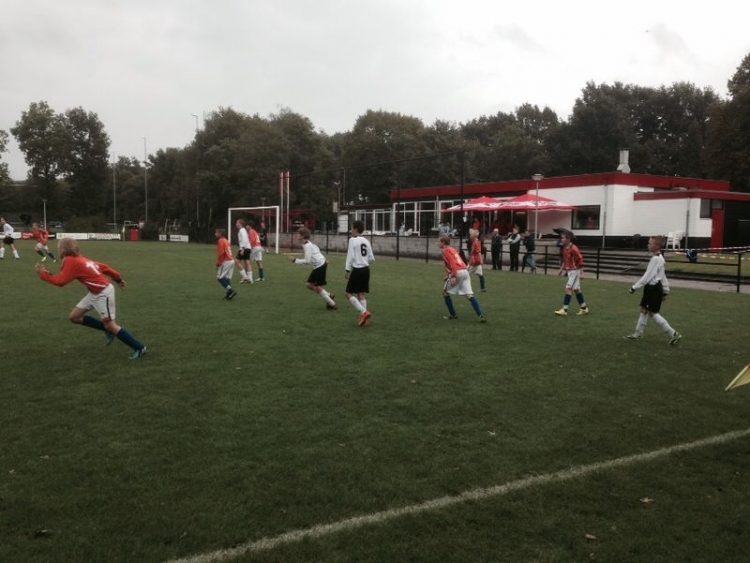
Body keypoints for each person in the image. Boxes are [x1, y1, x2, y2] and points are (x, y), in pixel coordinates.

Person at [34, 238, 147, 359]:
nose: (58, 249)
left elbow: (61, 282)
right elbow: (105, 268)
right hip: (95, 293)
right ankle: (107, 330)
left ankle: (139, 348)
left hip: (103, 293)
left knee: (110, 325)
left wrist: (44, 275)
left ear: (63, 249)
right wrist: (118, 279)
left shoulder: (71, 261)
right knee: (74, 317)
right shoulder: (81, 259)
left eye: (59, 247)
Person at [624, 235, 682, 345]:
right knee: (643, 310)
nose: (648, 245)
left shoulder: (655, 259)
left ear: (656, 246)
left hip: (652, 289)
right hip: (655, 288)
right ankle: (638, 334)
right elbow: (663, 276)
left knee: (652, 313)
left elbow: (647, 277)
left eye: (650, 243)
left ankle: (673, 334)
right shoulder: (660, 258)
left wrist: (634, 287)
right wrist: (665, 290)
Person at [439, 235, 486, 322]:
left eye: (440, 242)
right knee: (469, 295)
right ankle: (481, 316)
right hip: (465, 271)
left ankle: (453, 315)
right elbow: (457, 261)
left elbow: (453, 263)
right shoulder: (452, 249)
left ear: (443, 242)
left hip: (458, 272)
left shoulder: (445, 251)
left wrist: (453, 276)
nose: (439, 243)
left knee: (445, 293)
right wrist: (448, 275)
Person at [290, 227, 337, 310]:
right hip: (319, 265)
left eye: (298, 234)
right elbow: (316, 251)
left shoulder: (307, 245)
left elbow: (307, 261)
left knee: (318, 288)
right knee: (309, 285)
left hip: (320, 266)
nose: (297, 235)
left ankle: (332, 304)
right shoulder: (307, 244)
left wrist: (295, 260)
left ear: (303, 236)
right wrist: (324, 259)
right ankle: (329, 295)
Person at [345, 220, 375, 326]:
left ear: (356, 229)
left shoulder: (352, 240)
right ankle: (365, 319)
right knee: (361, 294)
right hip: (366, 269)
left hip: (357, 269)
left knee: (348, 294)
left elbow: (351, 256)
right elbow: (371, 258)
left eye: (352, 228)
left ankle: (364, 312)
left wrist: (347, 270)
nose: (351, 230)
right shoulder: (366, 241)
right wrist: (364, 262)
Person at [554, 231, 590, 316]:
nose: (561, 239)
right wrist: (561, 269)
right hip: (570, 272)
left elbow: (580, 260)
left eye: (563, 238)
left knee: (568, 289)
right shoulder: (565, 248)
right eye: (561, 238)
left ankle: (564, 309)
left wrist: (582, 273)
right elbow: (565, 260)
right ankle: (584, 308)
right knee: (577, 290)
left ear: (568, 239)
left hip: (574, 271)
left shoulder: (574, 248)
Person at [215, 228, 237, 300]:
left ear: (220, 234)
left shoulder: (220, 241)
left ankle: (231, 290)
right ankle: (229, 295)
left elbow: (221, 253)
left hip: (226, 261)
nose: (215, 234)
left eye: (216, 232)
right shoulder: (226, 240)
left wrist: (219, 262)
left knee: (220, 278)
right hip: (231, 260)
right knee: (226, 278)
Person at [234, 218, 253, 283]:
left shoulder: (242, 230)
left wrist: (242, 249)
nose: (236, 224)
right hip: (247, 248)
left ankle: (245, 277)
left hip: (245, 248)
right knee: (247, 262)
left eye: (237, 223)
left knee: (236, 261)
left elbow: (244, 239)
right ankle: (250, 279)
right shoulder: (243, 230)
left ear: (240, 224)